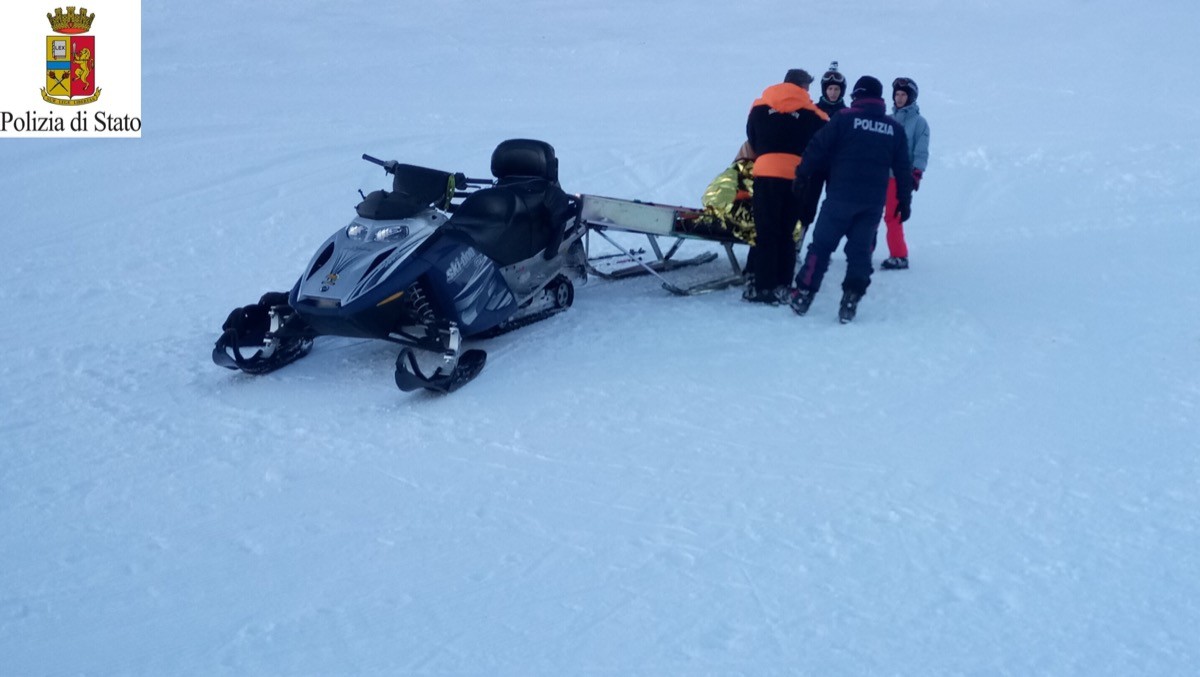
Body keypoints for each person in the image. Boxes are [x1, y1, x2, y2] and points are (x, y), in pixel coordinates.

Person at [788, 75, 913, 323]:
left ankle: (803, 294)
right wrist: (904, 200)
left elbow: (817, 146)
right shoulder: (894, 129)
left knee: (821, 246)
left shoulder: (843, 119)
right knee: (860, 253)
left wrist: (802, 174)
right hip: (872, 204)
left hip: (840, 198)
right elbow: (903, 168)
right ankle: (851, 299)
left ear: (857, 96)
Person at [743, 68, 828, 304]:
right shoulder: (814, 114)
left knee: (765, 231)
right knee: (786, 232)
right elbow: (821, 144)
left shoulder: (759, 105)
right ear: (803, 86)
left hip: (765, 172)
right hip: (795, 177)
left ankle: (761, 286)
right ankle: (782, 284)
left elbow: (752, 138)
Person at [880, 76, 930, 270]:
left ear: (912, 97)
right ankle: (864, 250)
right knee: (871, 214)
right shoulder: (888, 120)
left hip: (899, 178)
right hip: (881, 175)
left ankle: (899, 255)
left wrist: (915, 174)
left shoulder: (919, 123)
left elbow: (921, 151)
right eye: (897, 94)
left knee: (893, 216)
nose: (899, 98)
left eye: (903, 95)